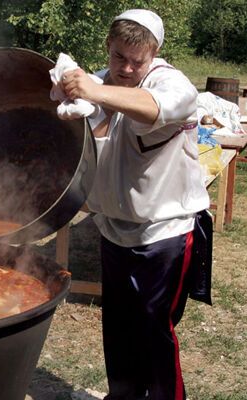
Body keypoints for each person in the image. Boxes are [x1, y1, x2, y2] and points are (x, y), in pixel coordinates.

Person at [60, 9, 211, 400]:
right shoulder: (97, 81)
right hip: (111, 228)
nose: (125, 69)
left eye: (136, 60)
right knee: (119, 327)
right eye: (117, 57)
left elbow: (154, 107)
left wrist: (93, 92)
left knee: (154, 330)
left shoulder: (173, 84)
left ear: (154, 53)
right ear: (108, 48)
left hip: (164, 233)